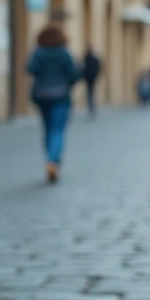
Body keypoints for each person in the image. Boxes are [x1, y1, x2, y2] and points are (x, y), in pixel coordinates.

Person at [27, 23, 81, 183]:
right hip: (61, 95)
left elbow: (30, 68)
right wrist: (67, 82)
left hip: (42, 94)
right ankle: (53, 161)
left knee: (47, 128)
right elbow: (74, 74)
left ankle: (50, 159)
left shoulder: (38, 52)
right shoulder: (64, 53)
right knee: (57, 130)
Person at [81, 46, 101, 119]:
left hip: (88, 78)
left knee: (89, 93)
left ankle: (91, 107)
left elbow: (83, 68)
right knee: (91, 93)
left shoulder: (86, 59)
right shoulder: (93, 59)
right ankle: (92, 107)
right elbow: (98, 68)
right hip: (92, 78)